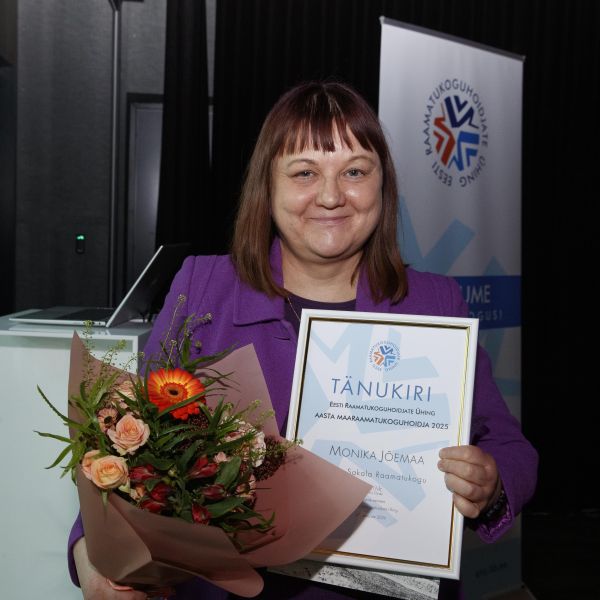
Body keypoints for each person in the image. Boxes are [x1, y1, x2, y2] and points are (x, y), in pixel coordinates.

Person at [69, 81, 538, 599]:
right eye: (304, 173)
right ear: (267, 187)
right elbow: (125, 442)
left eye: (355, 171)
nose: (331, 196)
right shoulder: (204, 288)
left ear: (383, 185)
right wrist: (90, 554)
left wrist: (491, 482)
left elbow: (509, 446)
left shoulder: (435, 302)